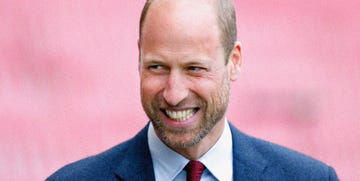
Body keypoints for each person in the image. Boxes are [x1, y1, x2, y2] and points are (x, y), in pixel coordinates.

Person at [47, 0, 339, 180]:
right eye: (157, 67)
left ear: (233, 62)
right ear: (139, 57)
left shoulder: (310, 178)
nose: (174, 94)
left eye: (194, 68)